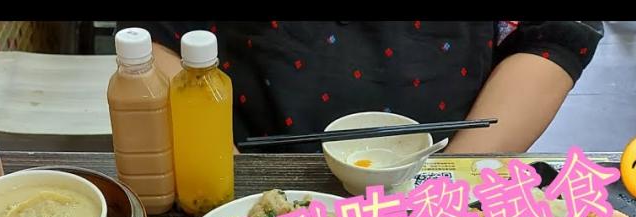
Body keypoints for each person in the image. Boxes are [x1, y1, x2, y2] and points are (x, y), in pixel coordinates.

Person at [116, 21, 603, 153]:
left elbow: (553, 36)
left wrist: (452, 179)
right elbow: (153, 36)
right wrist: (220, 173)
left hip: (443, 168)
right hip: (246, 162)